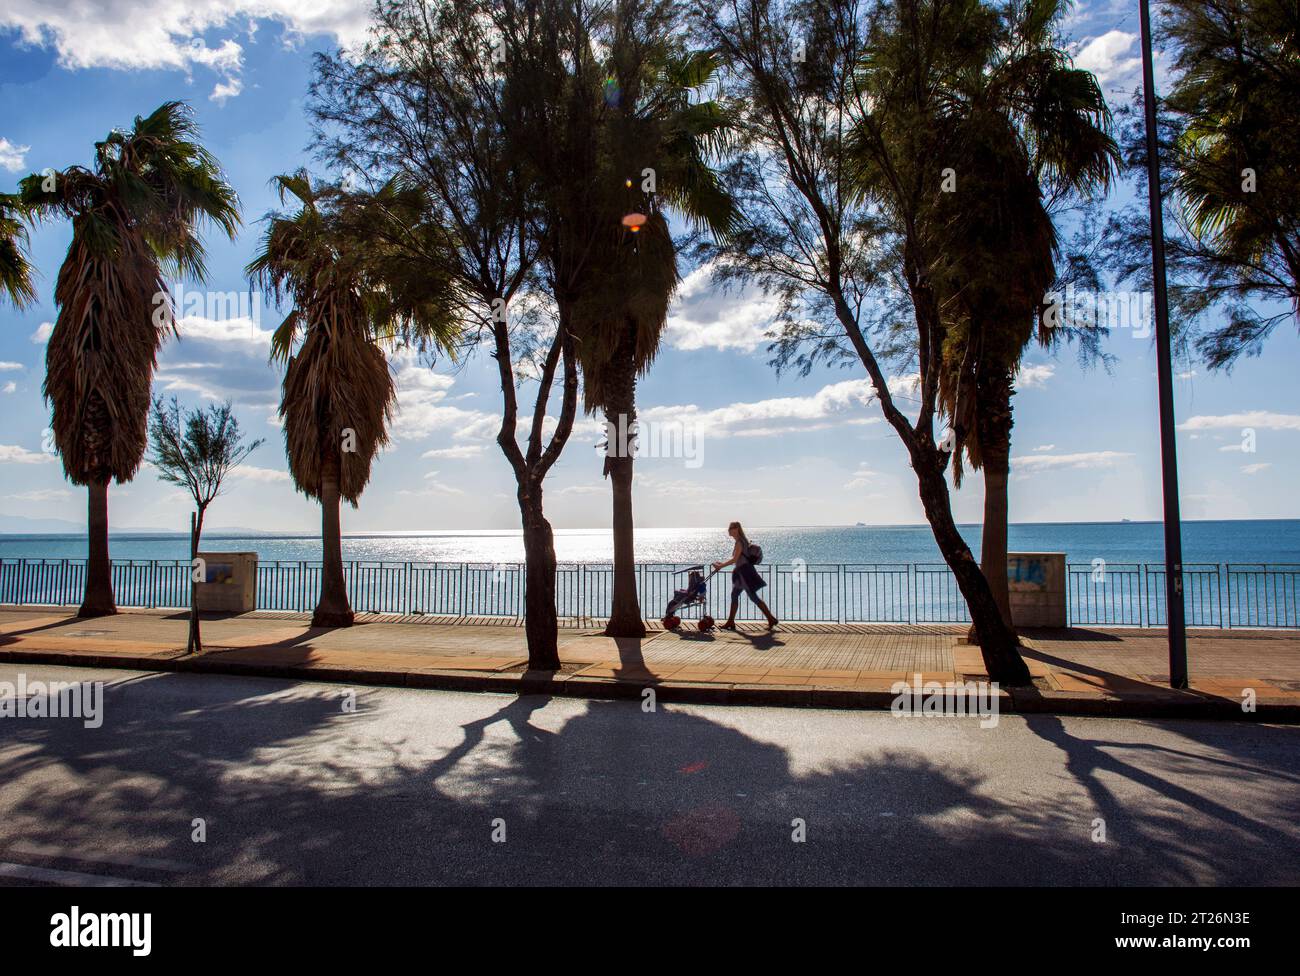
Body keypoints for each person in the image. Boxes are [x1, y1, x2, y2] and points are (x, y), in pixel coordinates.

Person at [711, 521, 778, 630]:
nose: (729, 530)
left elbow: (735, 559)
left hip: (744, 573)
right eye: (729, 528)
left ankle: (771, 619)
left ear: (737, 529)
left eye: (731, 528)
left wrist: (721, 566)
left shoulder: (739, 542)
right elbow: (737, 559)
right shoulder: (741, 541)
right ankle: (731, 622)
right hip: (743, 572)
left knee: (752, 597)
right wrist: (721, 564)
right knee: (736, 595)